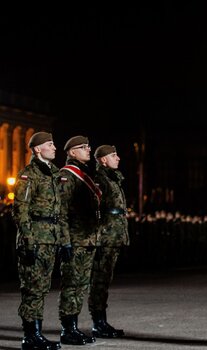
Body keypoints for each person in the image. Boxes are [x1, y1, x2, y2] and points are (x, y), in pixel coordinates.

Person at [12, 132, 63, 350]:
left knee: (42, 287)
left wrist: (61, 238)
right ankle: (30, 336)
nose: (54, 147)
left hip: (49, 238)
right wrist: (28, 240)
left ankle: (37, 333)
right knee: (32, 288)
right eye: (50, 144)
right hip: (34, 238)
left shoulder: (54, 173)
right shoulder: (28, 174)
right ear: (37, 149)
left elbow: (59, 210)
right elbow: (21, 210)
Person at [58, 135, 101, 346]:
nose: (88, 150)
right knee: (71, 285)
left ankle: (73, 326)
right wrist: (65, 241)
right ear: (72, 152)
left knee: (81, 285)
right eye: (83, 147)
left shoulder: (84, 174)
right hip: (74, 239)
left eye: (89, 146)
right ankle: (68, 329)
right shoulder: (67, 176)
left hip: (86, 239)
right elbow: (61, 211)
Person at [88, 145, 129, 338]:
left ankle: (101, 320)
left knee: (105, 279)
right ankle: (98, 322)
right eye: (113, 155)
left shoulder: (113, 178)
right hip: (104, 235)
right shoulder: (100, 179)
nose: (118, 158)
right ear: (103, 160)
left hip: (114, 235)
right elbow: (93, 208)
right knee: (99, 279)